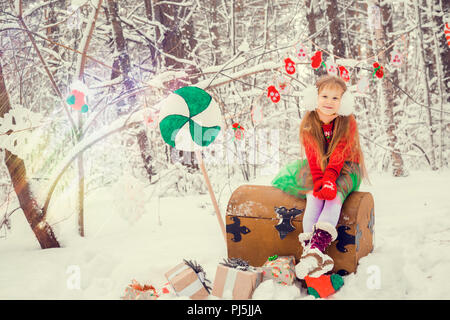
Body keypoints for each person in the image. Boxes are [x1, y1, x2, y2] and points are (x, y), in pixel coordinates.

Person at [271, 75, 369, 279]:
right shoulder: (309, 121)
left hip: (346, 167)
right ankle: (312, 257)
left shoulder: (347, 121)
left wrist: (330, 180)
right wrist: (319, 181)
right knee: (314, 197)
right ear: (314, 97)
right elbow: (314, 156)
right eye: (324, 96)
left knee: (333, 197)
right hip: (318, 167)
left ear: (344, 102)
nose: (329, 102)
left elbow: (340, 152)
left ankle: (316, 249)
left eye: (336, 98)